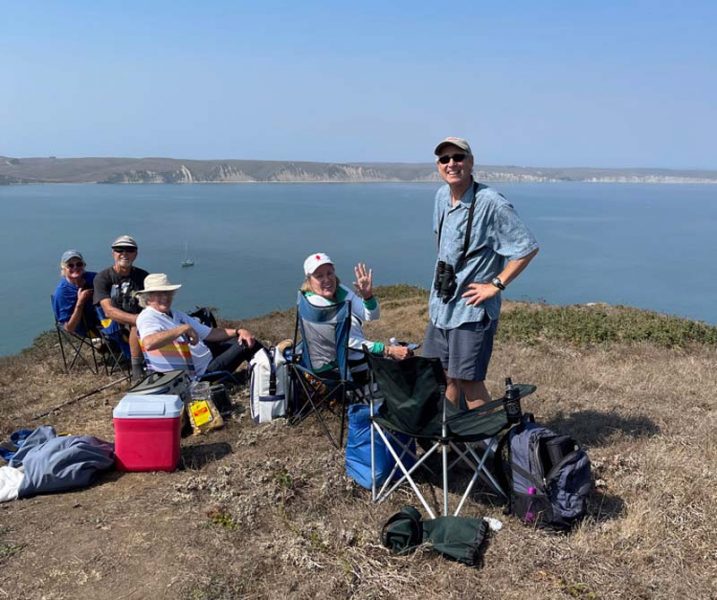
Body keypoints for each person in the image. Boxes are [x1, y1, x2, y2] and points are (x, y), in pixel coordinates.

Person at [423, 137, 539, 409]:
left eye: (458, 157)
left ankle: (490, 447)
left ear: (471, 162)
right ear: (438, 166)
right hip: (441, 307)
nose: (451, 164)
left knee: (469, 382)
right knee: (444, 379)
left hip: (471, 311)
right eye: (444, 159)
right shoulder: (441, 197)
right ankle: (451, 441)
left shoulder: (491, 203)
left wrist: (495, 285)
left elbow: (526, 248)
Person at [301, 253, 412, 373]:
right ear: (309, 280)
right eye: (319, 276)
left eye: (329, 273)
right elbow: (348, 342)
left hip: (345, 356)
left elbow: (371, 315)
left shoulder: (339, 291)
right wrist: (388, 350)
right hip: (337, 366)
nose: (327, 279)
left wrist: (367, 296)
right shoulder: (317, 306)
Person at [135, 273, 261, 378]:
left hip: (208, 356)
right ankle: (268, 373)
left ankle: (267, 367)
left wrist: (238, 331)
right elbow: (149, 343)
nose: (165, 297)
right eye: (159, 294)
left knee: (242, 338)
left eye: (168, 293)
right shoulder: (148, 317)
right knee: (246, 345)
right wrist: (182, 328)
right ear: (148, 298)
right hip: (201, 374)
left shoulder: (175, 314)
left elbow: (210, 333)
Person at [93, 235, 149, 380]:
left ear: (135, 254)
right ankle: (138, 372)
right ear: (113, 253)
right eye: (119, 249)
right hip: (112, 322)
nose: (124, 253)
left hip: (140, 318)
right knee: (137, 326)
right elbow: (108, 310)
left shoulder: (143, 276)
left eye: (129, 250)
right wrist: (138, 319)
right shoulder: (103, 278)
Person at [52, 249, 99, 337]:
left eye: (79, 264)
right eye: (70, 265)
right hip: (87, 328)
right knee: (117, 332)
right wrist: (80, 302)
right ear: (64, 268)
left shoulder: (93, 277)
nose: (75, 267)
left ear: (83, 265)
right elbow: (69, 328)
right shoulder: (62, 293)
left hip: (103, 317)